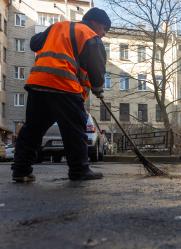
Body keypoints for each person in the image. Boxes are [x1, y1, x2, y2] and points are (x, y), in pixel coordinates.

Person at [11, 8, 111, 182]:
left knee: (32, 129)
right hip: (64, 85)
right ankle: (79, 170)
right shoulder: (89, 35)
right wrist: (98, 87)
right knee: (75, 129)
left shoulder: (57, 26)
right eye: (104, 29)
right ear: (96, 23)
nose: (103, 34)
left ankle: (21, 170)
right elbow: (97, 67)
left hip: (38, 83)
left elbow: (35, 43)